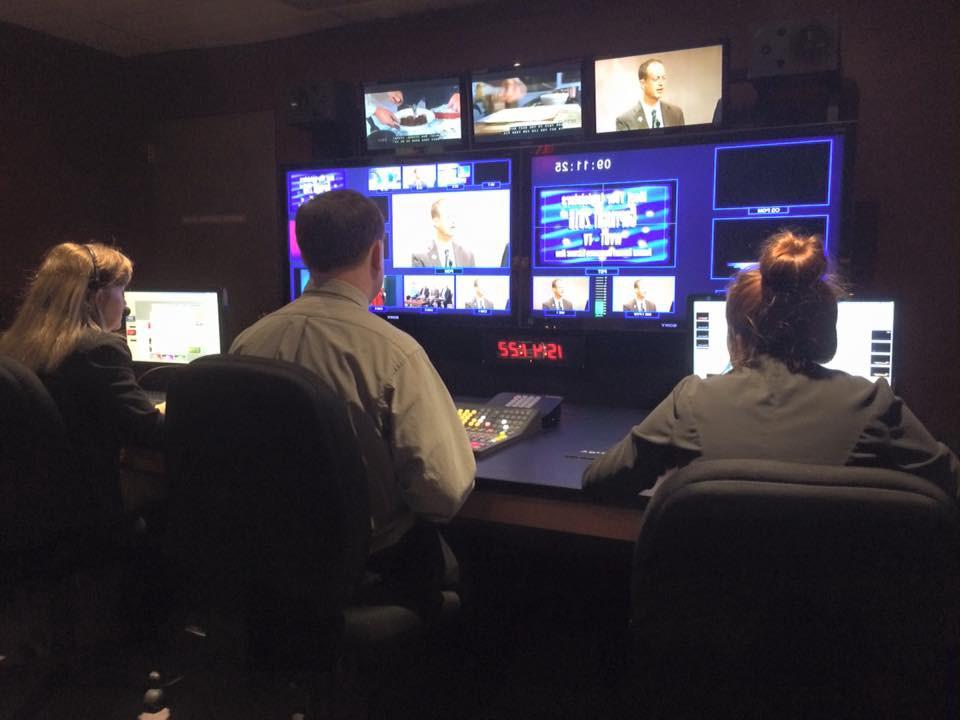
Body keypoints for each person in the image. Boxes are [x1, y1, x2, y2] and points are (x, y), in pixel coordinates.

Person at [230, 190, 475, 611]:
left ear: (305, 253)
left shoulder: (245, 343)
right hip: (373, 565)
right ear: (378, 255)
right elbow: (444, 493)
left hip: (268, 566)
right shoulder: (395, 354)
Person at [583, 231, 959, 499]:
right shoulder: (874, 403)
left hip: (709, 607)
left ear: (737, 333)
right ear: (826, 327)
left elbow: (599, 481)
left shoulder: (692, 400)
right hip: (834, 607)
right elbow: (951, 483)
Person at [0, 242, 165, 523]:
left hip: (28, 512)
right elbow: (150, 434)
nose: (125, 305)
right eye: (122, 291)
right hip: (88, 511)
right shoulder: (100, 349)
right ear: (97, 297)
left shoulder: (13, 346)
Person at [615, 58, 685, 131]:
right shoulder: (625, 121)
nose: (661, 83)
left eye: (663, 78)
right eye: (655, 79)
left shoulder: (676, 113)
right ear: (643, 83)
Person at [411, 198, 476, 268]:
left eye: (454, 216)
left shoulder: (467, 255)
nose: (453, 221)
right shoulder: (420, 256)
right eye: (448, 217)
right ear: (435, 221)